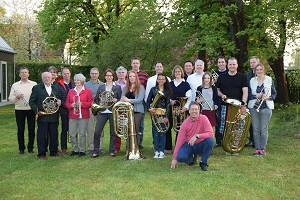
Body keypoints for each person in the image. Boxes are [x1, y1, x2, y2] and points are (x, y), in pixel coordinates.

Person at [215, 57, 248, 155]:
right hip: (226, 106)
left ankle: (235, 146)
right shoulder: (222, 77)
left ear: (237, 65)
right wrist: (222, 95)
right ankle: (227, 145)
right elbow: (217, 90)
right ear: (227, 65)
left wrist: (243, 104)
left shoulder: (242, 77)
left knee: (238, 126)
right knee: (226, 126)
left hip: (238, 106)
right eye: (230, 64)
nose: (232, 66)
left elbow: (245, 91)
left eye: (234, 64)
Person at [170, 102, 214, 171]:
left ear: (199, 111)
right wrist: (174, 159)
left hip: (200, 144)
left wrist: (197, 136)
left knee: (210, 141)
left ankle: (203, 162)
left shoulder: (204, 118)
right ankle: (192, 160)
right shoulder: (185, 123)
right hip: (189, 144)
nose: (194, 111)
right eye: (192, 109)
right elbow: (179, 141)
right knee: (180, 157)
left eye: (196, 109)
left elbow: (211, 134)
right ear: (189, 111)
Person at [29, 72, 61, 160]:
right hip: (42, 116)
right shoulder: (37, 88)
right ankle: (41, 153)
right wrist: (37, 111)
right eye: (45, 77)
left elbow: (58, 99)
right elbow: (32, 101)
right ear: (42, 79)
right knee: (42, 135)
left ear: (52, 78)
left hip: (54, 115)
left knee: (54, 134)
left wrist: (59, 102)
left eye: (49, 77)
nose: (47, 79)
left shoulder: (56, 88)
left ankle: (53, 152)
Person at [248, 64, 277, 156]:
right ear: (255, 71)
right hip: (254, 107)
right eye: (257, 70)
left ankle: (262, 149)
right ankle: (257, 148)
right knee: (256, 129)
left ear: (263, 70)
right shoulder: (252, 80)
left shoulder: (269, 79)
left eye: (261, 69)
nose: (259, 71)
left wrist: (268, 97)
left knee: (263, 129)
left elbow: (274, 93)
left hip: (266, 107)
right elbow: (248, 94)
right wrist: (255, 96)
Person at [92, 69, 122, 158]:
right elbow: (96, 98)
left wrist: (116, 100)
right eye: (107, 75)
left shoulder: (117, 87)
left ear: (113, 77)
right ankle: (95, 151)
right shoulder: (101, 86)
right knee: (97, 132)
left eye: (110, 75)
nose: (109, 77)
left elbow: (120, 99)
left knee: (113, 132)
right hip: (102, 111)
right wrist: (100, 102)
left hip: (112, 111)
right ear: (105, 77)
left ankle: (112, 151)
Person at [9, 67, 37, 154]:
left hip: (31, 109)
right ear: (19, 74)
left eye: (25, 72)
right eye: (22, 72)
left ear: (28, 74)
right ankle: (21, 148)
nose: (24, 74)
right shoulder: (15, 85)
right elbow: (10, 98)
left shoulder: (34, 84)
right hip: (19, 109)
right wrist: (16, 97)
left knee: (31, 129)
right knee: (20, 129)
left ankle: (30, 148)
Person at [145, 62, 172, 153]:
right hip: (155, 113)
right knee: (156, 133)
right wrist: (149, 108)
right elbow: (148, 101)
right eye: (159, 79)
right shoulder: (153, 89)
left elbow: (168, 104)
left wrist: (167, 116)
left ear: (165, 80)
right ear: (157, 80)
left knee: (163, 132)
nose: (161, 80)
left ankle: (162, 151)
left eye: (162, 79)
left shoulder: (167, 91)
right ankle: (156, 150)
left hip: (163, 113)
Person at [65, 74, 93, 156]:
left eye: (78, 80)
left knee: (82, 134)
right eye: (75, 80)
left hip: (83, 115)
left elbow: (91, 103)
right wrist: (71, 105)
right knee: (72, 134)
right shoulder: (71, 91)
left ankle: (82, 150)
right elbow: (67, 103)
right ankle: (75, 149)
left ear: (82, 81)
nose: (76, 81)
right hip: (73, 115)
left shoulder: (88, 91)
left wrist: (82, 104)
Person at [120, 70, 145, 155]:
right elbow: (122, 99)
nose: (132, 78)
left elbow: (140, 100)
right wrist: (122, 101)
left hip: (138, 111)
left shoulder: (140, 87)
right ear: (128, 78)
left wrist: (128, 100)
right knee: (128, 130)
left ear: (136, 77)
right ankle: (128, 149)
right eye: (130, 76)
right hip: (127, 112)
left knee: (135, 129)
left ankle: (136, 149)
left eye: (133, 76)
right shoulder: (125, 88)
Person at [170, 65, 191, 143]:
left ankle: (179, 143)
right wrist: (170, 101)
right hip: (172, 108)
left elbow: (189, 97)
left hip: (182, 108)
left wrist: (185, 107)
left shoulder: (186, 84)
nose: (177, 73)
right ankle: (168, 147)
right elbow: (167, 95)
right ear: (174, 73)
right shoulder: (170, 83)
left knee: (181, 127)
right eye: (176, 72)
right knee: (171, 126)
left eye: (179, 71)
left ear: (181, 72)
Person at [55, 67, 75, 155]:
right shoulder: (58, 84)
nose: (66, 75)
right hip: (63, 110)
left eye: (68, 73)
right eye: (64, 73)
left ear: (70, 74)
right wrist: (65, 104)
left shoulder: (74, 83)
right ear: (62, 74)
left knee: (74, 129)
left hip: (74, 109)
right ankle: (64, 148)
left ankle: (75, 147)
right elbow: (57, 97)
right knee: (64, 129)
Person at [85, 68, 103, 154]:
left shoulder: (102, 84)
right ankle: (91, 146)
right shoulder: (86, 84)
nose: (94, 75)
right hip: (90, 107)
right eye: (92, 73)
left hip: (100, 107)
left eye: (96, 73)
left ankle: (100, 146)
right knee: (90, 127)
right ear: (90, 74)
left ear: (98, 74)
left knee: (100, 127)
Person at [131, 57, 148, 149]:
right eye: (134, 63)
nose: (135, 65)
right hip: (130, 103)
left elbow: (146, 87)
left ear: (139, 64)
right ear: (131, 64)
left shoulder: (144, 74)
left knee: (140, 124)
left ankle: (139, 143)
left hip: (140, 102)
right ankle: (131, 143)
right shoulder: (128, 74)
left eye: (137, 63)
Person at [245, 56, 260, 148]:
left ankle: (258, 141)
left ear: (258, 63)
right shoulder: (249, 74)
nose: (252, 64)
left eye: (254, 62)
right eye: (251, 63)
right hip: (250, 100)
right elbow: (247, 88)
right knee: (251, 122)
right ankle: (252, 140)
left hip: (260, 101)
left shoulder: (262, 74)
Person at [214, 56, 228, 147]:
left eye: (222, 62)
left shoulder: (229, 72)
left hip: (229, 100)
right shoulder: (214, 74)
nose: (221, 64)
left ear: (225, 63)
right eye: (219, 62)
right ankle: (218, 140)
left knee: (227, 120)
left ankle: (227, 139)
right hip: (219, 100)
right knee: (218, 120)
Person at [115, 66, 128, 153]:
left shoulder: (129, 83)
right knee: (117, 127)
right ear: (116, 74)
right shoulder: (113, 84)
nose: (121, 74)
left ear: (126, 74)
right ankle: (116, 147)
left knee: (127, 127)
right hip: (117, 109)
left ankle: (128, 147)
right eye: (119, 72)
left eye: (123, 72)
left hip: (127, 108)